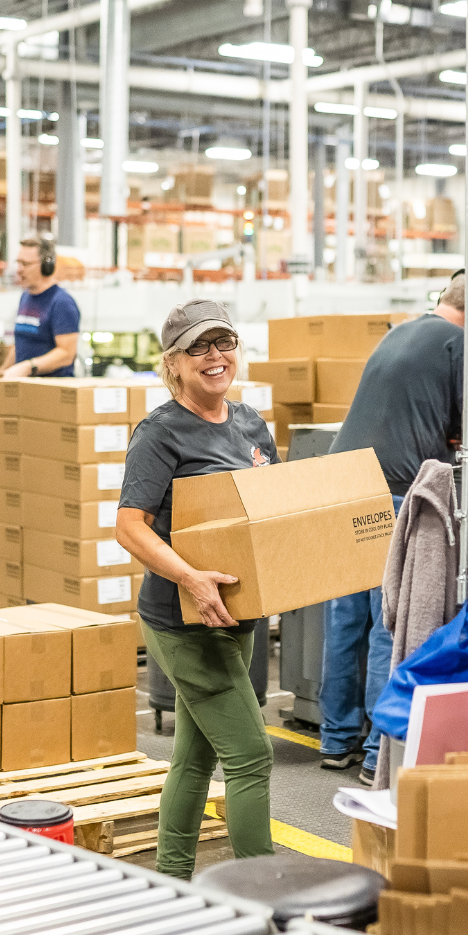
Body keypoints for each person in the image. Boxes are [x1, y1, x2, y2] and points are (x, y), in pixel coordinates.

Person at [319, 268, 468, 785]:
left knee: (346, 619)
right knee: (390, 622)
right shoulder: (461, 342)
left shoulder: (401, 331)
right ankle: (381, 754)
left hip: (343, 482)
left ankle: (336, 740)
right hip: (395, 490)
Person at [116, 298, 277, 879]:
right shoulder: (160, 434)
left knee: (196, 752)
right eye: (199, 348)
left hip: (238, 613)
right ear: (174, 363)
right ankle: (263, 896)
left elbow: (270, 514)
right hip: (183, 620)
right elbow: (128, 526)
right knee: (251, 755)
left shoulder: (251, 424)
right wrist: (189, 577)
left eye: (224, 343)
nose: (215, 357)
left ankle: (173, 877)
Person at [0, 235, 80, 379]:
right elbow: (20, 343)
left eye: (25, 264)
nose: (19, 270)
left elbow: (67, 354)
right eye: (18, 263)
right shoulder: (25, 297)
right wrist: (2, 372)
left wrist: (28, 367)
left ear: (46, 265)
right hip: (26, 388)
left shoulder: (61, 303)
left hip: (52, 391)